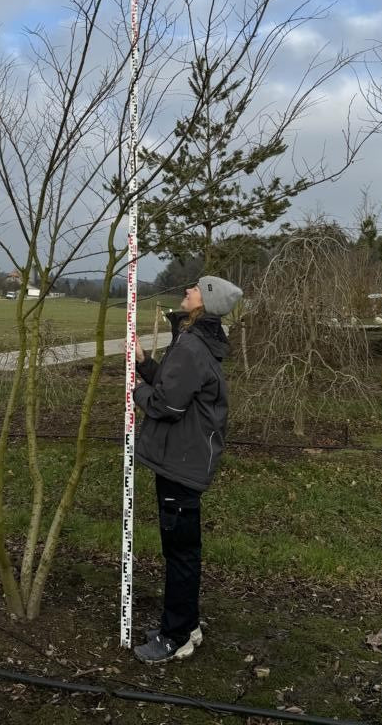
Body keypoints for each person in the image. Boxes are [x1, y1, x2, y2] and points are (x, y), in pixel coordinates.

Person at [130, 275, 242, 664]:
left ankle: (174, 635)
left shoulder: (192, 346)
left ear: (203, 304)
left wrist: (135, 391)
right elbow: (175, 386)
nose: (187, 289)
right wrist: (146, 367)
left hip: (181, 462)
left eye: (195, 288)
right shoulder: (195, 341)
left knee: (180, 552)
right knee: (182, 548)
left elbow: (167, 406)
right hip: (185, 458)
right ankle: (187, 622)